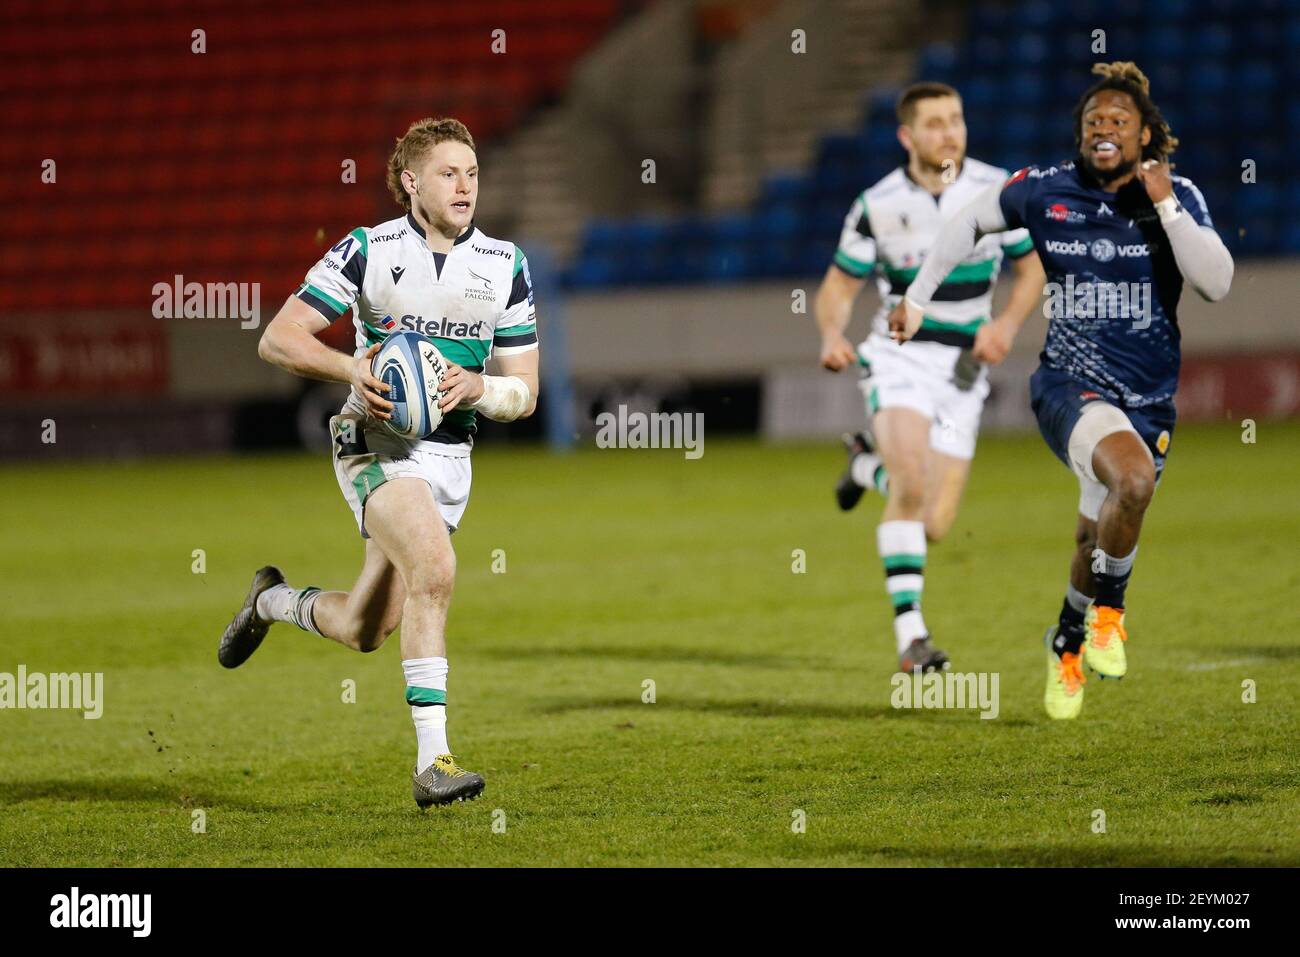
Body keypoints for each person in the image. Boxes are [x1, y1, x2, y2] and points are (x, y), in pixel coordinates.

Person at [891, 63, 1232, 718]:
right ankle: (1110, 615)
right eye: (1093, 121)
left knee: (1092, 538)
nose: (1103, 128)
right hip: (1066, 386)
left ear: (1145, 136)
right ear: (1081, 135)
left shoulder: (1176, 194)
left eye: (1118, 121)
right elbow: (965, 224)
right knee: (1132, 482)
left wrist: (1163, 203)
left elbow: (1216, 282)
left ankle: (1067, 644)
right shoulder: (1044, 191)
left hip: (1148, 399)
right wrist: (915, 298)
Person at [218, 117, 541, 801]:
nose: (464, 186)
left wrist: (482, 386)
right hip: (373, 441)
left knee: (369, 628)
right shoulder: (368, 251)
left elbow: (527, 392)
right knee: (435, 563)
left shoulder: (505, 265)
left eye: (473, 173)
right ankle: (435, 763)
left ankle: (271, 600)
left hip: (451, 455)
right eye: (448, 173)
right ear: (410, 182)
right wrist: (350, 369)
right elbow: (278, 339)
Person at [815, 81, 1045, 674]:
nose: (949, 132)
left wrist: (1008, 324)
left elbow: (1033, 271)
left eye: (956, 120)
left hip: (966, 369)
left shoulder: (996, 191)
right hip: (901, 357)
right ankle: (913, 641)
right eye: (936, 122)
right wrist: (831, 335)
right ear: (907, 136)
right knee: (913, 486)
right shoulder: (879, 204)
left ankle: (866, 465)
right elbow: (840, 288)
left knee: (935, 522)